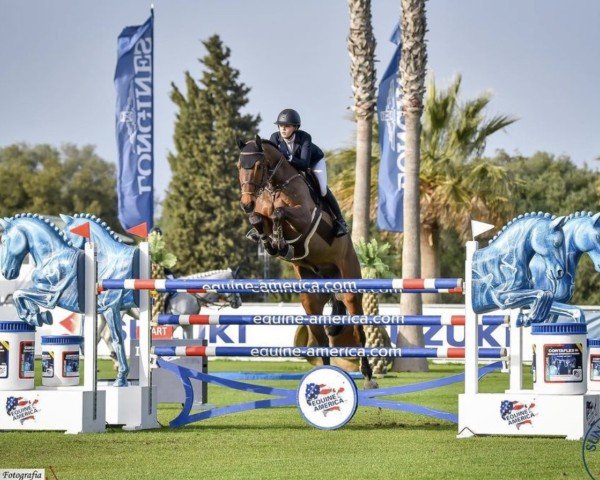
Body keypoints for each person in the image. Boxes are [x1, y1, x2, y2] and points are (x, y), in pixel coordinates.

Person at [269, 108, 348, 237]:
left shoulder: (305, 137)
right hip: (291, 166)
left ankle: (340, 221)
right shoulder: (275, 138)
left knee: (322, 189)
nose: (283, 129)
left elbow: (304, 164)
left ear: (295, 127)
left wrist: (287, 158)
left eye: (287, 126)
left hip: (313, 162)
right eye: (281, 126)